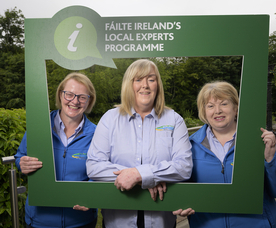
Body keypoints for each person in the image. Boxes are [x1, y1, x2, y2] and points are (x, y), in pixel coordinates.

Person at [173, 81, 276, 228]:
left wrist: (271, 158)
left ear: (236, 108)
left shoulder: (258, 141)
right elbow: (183, 191)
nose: (217, 110)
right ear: (204, 111)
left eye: (224, 104)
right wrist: (182, 204)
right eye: (211, 106)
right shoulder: (190, 146)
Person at [86, 59, 193, 228]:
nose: (145, 85)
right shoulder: (109, 119)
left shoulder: (174, 120)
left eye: (151, 79)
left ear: (157, 85)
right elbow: (93, 166)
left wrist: (139, 175)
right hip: (118, 220)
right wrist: (152, 176)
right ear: (129, 85)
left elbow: (184, 167)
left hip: (161, 220)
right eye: (138, 80)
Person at [15, 72, 98, 228]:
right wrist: (22, 163)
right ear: (60, 95)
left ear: (89, 101)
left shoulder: (97, 134)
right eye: (69, 94)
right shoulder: (40, 125)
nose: (75, 101)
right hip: (40, 221)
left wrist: (91, 193)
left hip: (81, 221)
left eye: (82, 97)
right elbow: (20, 156)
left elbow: (103, 169)